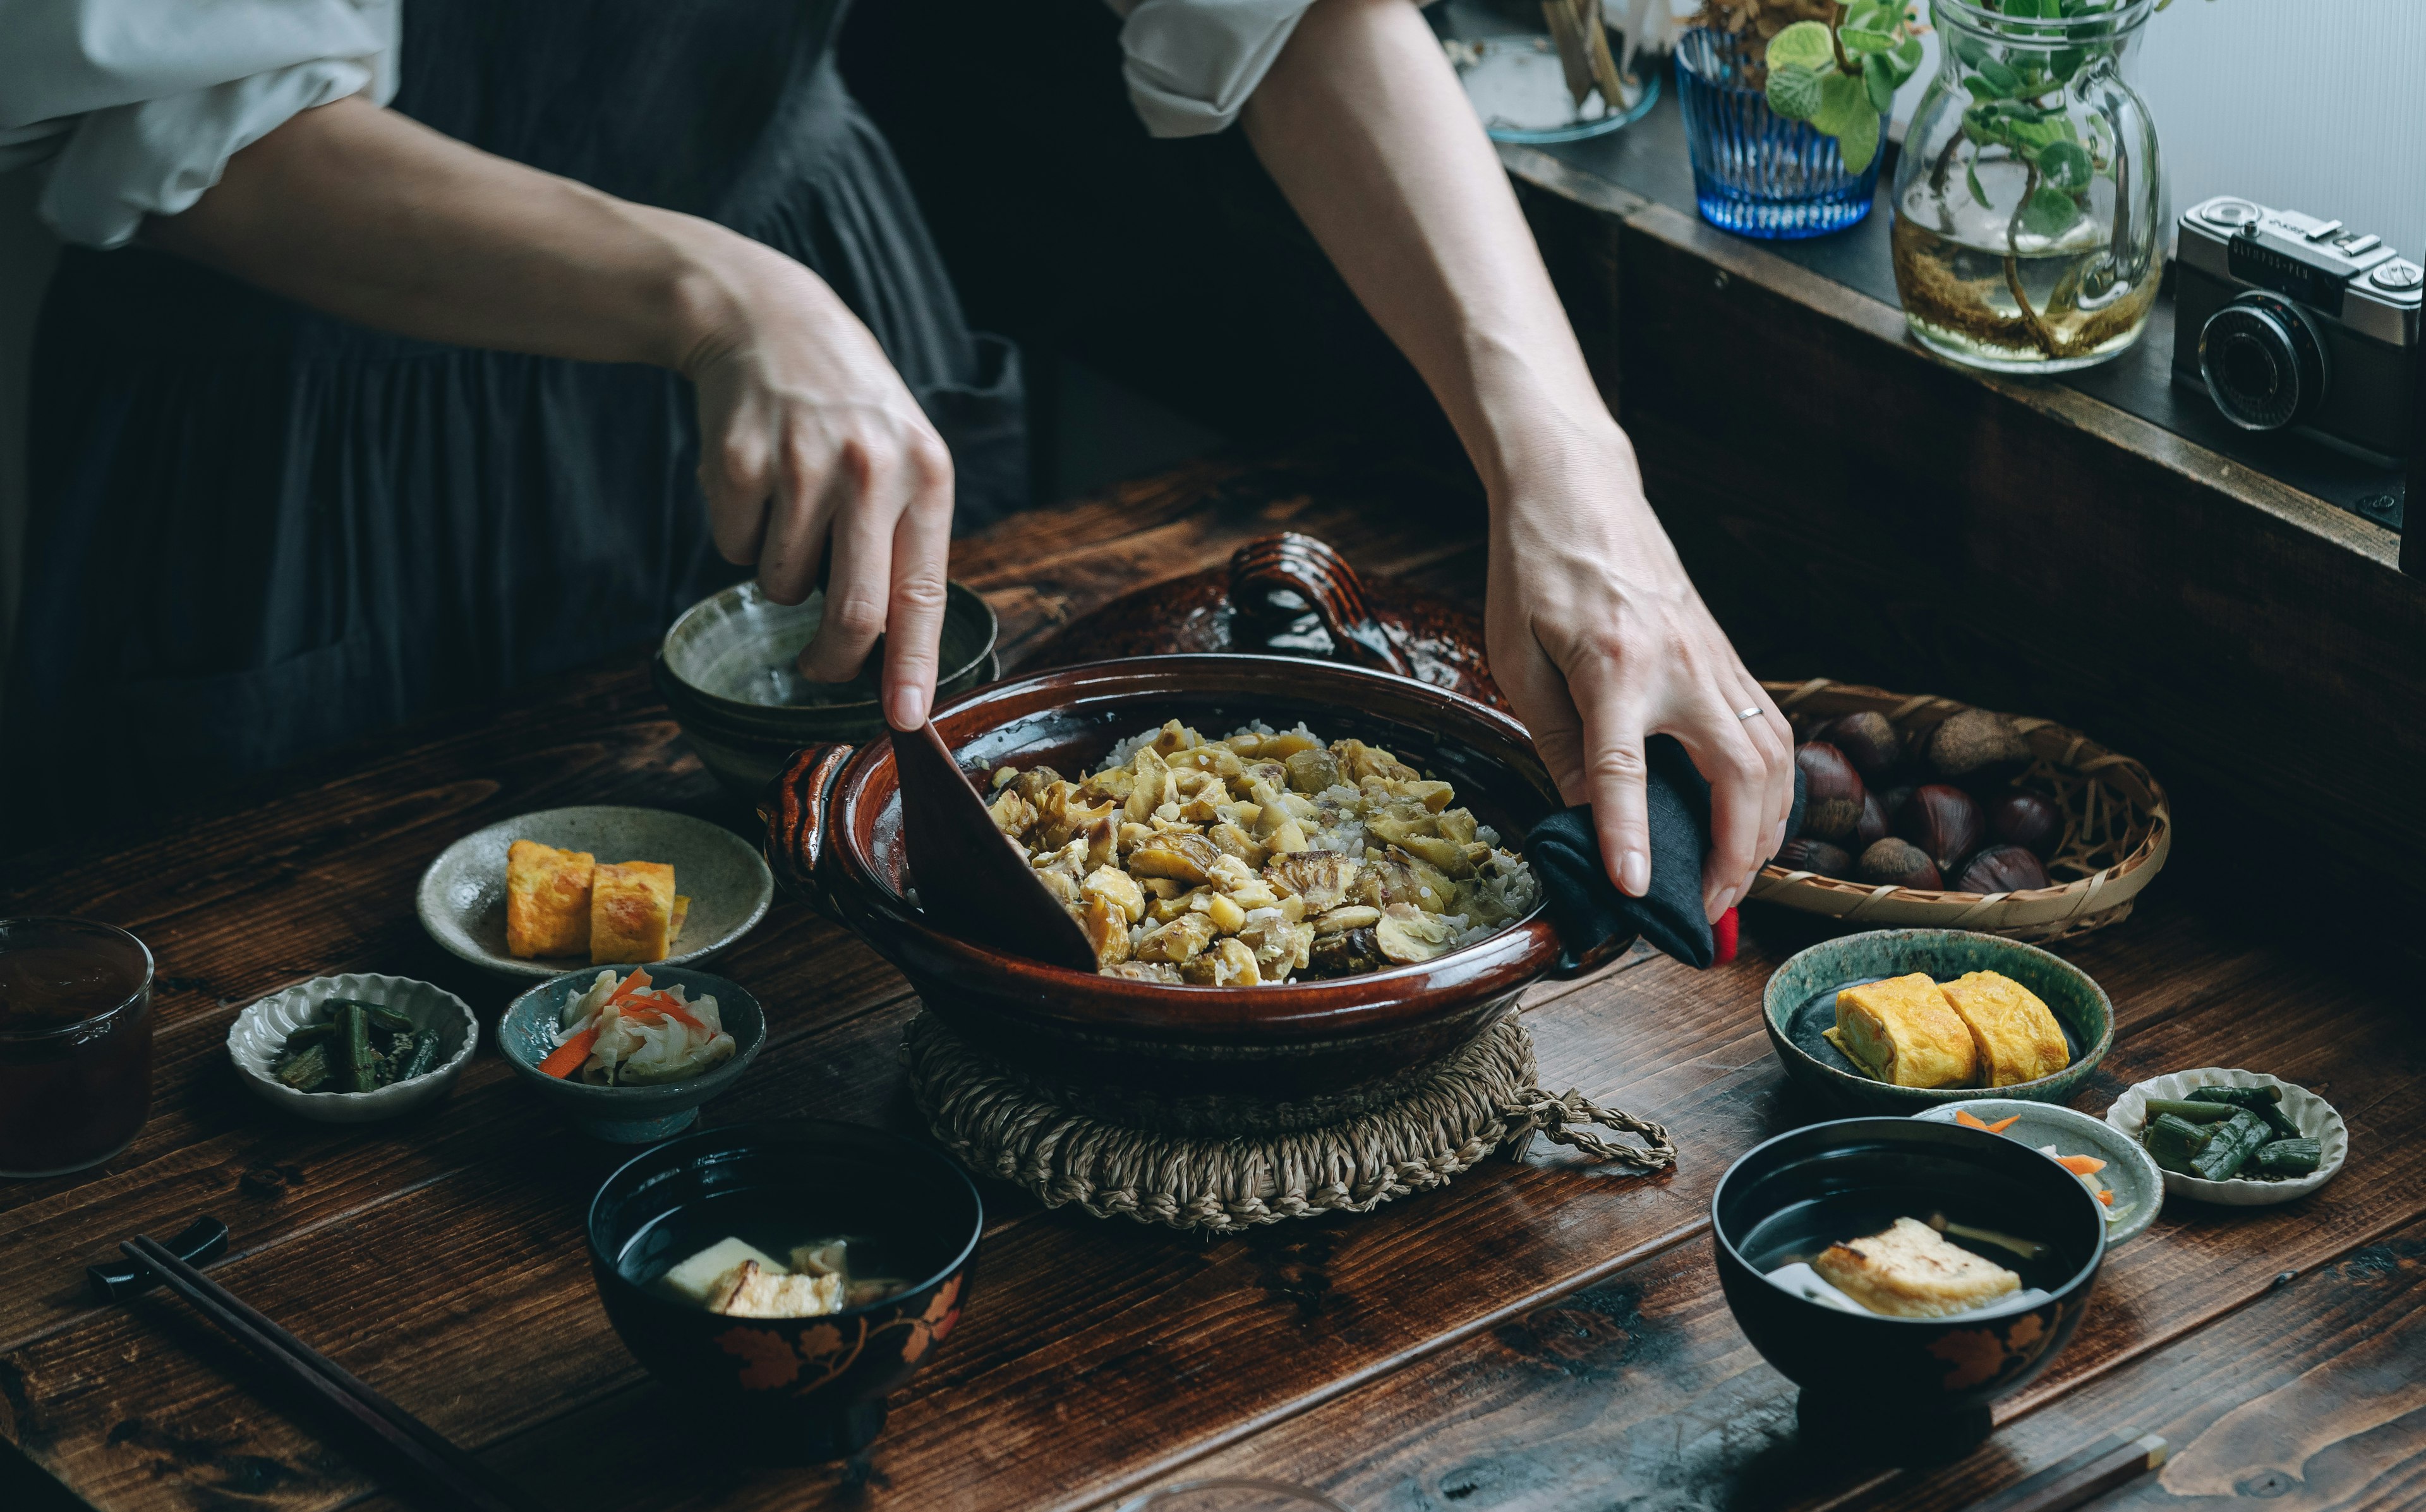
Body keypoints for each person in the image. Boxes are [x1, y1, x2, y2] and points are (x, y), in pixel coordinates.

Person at [0, 0, 1791, 919]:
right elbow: (176, 121)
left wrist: (1567, 469)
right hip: (316, 440)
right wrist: (709, 293)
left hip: (821, 330)